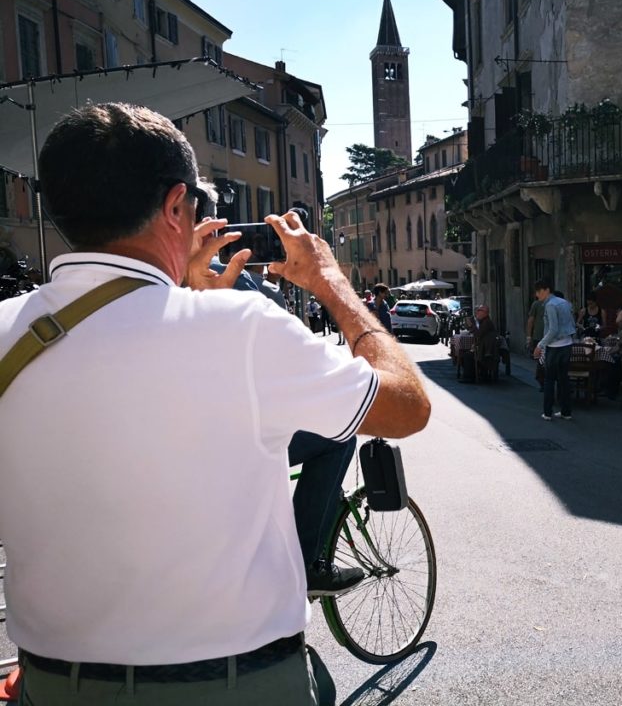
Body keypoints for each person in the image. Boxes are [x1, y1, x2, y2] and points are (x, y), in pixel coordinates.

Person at [0, 103, 431, 704]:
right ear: (176, 206)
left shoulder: (4, 332)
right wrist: (330, 278)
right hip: (231, 686)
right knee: (338, 437)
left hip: (52, 684)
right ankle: (314, 561)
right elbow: (407, 406)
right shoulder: (240, 326)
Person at [533, 278, 576, 420]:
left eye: (538, 292)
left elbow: (553, 329)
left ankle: (547, 412)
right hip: (567, 344)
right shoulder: (565, 303)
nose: (537, 295)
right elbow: (571, 324)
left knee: (549, 380)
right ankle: (566, 411)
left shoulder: (550, 305)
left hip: (555, 346)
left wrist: (540, 345)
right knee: (564, 379)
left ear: (546, 290)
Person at [526, 294, 547, 390]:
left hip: (544, 337)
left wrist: (529, 336)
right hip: (540, 336)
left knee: (541, 361)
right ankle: (542, 380)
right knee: (541, 360)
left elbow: (530, 320)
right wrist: (529, 336)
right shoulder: (537, 304)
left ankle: (542, 380)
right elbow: (531, 320)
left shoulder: (549, 304)